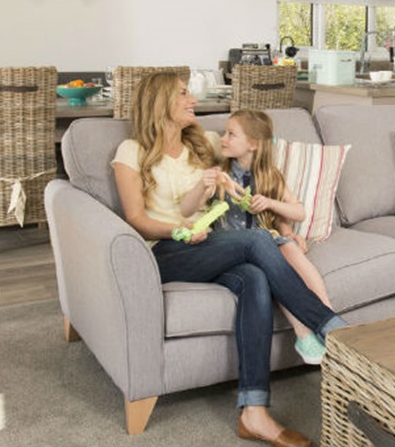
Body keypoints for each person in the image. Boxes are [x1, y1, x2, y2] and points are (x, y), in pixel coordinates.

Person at [111, 72, 345, 447]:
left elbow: (255, 163)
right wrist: (179, 232)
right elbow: (136, 218)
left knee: (255, 277)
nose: (193, 100)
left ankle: (254, 413)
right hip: (165, 251)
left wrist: (286, 226)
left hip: (210, 245)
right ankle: (330, 326)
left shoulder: (202, 142)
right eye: (184, 94)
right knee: (254, 241)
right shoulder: (131, 151)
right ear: (161, 103)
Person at [183, 109, 334, 366]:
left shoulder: (271, 175)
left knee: (290, 251)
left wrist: (271, 204)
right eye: (224, 133)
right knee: (273, 262)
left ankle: (328, 319)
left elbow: (298, 211)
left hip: (267, 240)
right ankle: (306, 331)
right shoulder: (221, 175)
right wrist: (204, 185)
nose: (223, 139)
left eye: (232, 134)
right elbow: (188, 210)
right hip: (233, 246)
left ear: (253, 144)